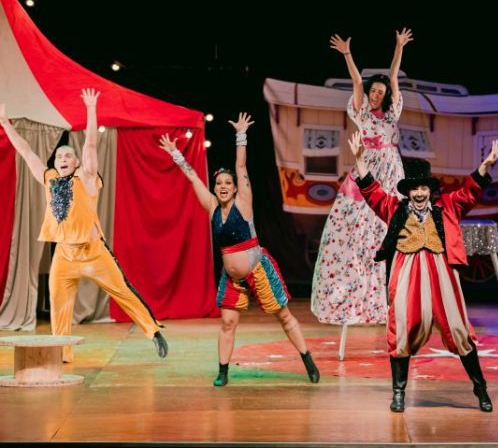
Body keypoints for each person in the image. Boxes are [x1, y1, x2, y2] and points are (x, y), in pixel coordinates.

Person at [0, 91, 167, 362]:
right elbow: (27, 152)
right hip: (65, 255)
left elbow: (90, 145)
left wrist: (91, 109)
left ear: (76, 162)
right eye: (59, 157)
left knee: (123, 291)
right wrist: (5, 124)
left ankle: (153, 331)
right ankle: (62, 353)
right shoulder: (49, 178)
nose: (63, 158)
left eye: (68, 156)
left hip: (94, 253)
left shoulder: (87, 178)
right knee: (59, 306)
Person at [159, 112, 320, 386]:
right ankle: (223, 372)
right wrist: (176, 154)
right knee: (227, 323)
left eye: (227, 183)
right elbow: (193, 179)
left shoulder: (244, 202)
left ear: (235, 188)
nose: (222, 187)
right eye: (219, 184)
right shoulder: (212, 207)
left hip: (258, 269)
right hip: (233, 278)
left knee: (283, 316)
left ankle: (307, 360)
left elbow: (241, 165)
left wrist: (241, 135)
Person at [349, 130, 498, 413]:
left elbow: (469, 192)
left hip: (441, 271)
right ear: (408, 191)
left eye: (423, 188)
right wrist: (360, 160)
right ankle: (398, 393)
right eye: (414, 189)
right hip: (406, 271)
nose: (419, 193)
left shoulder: (447, 207)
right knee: (402, 327)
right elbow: (372, 192)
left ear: (430, 190)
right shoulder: (394, 208)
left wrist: (485, 166)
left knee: (458, 328)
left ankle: (480, 388)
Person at [311, 29, 412, 326]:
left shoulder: (392, 114)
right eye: (374, 91)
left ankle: (391, 298)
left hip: (391, 173)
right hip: (368, 170)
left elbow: (394, 76)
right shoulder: (362, 113)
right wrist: (347, 54)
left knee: (389, 230)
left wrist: (398, 47)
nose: (377, 94)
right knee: (357, 234)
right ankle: (355, 296)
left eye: (381, 92)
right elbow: (356, 81)